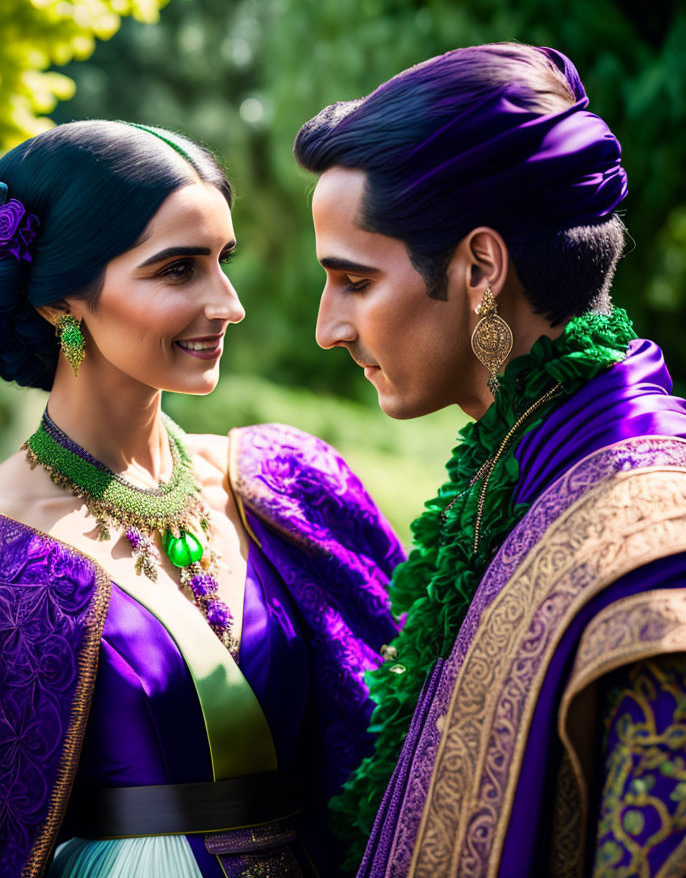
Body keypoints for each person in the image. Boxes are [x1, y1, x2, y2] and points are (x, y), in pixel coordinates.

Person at [293, 43, 686, 877]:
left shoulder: (657, 539)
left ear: (479, 268)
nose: (326, 328)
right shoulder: (513, 471)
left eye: (354, 281)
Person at [0, 120, 404, 878]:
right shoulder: (8, 546)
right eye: (179, 269)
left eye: (224, 261)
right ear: (61, 302)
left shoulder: (285, 486)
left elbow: (405, 710)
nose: (229, 303)